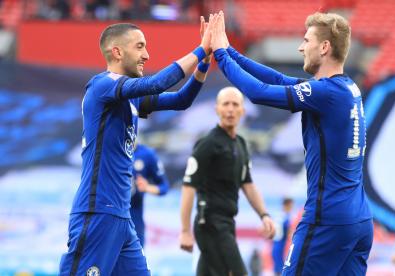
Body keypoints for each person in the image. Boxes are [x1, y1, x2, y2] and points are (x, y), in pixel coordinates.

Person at [209, 11, 373, 275]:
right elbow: (278, 80)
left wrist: (220, 55)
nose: (300, 47)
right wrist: (231, 51)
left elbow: (258, 92)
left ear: (324, 47)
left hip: (327, 218)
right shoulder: (346, 89)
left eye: (306, 40)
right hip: (358, 218)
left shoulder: (325, 93)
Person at [59, 18, 213, 275]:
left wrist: (205, 60)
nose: (147, 55)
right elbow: (157, 83)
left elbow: (181, 100)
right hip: (97, 212)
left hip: (122, 216)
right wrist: (200, 48)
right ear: (117, 52)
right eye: (140, 47)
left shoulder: (132, 98)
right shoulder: (102, 85)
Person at [179, 86, 276, 276]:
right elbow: (188, 186)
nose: (230, 109)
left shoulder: (240, 143)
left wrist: (264, 215)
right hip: (210, 224)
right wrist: (184, 230)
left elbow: (247, 183)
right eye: (225, 104)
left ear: (243, 110)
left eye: (235, 104)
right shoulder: (208, 143)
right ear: (217, 109)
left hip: (227, 223)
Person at [130, 143, 170, 248]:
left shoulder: (146, 154)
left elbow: (164, 186)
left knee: (136, 262)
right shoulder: (109, 151)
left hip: (134, 219)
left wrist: (147, 187)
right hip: (109, 218)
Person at [272, 198, 294, 276]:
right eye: (290, 206)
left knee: (278, 267)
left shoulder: (277, 215)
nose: (291, 208)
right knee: (281, 267)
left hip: (277, 245)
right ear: (286, 205)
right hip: (281, 245)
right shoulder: (285, 217)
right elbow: (288, 232)